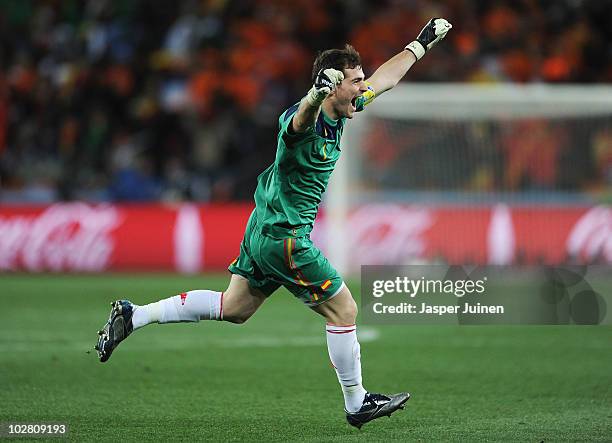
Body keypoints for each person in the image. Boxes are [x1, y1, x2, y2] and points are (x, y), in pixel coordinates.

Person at [95, 17, 452, 429]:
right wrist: (314, 96)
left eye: (359, 81)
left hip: (262, 227)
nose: (362, 87)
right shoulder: (302, 124)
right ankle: (357, 404)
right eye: (354, 81)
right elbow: (301, 118)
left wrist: (421, 43)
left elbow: (386, 79)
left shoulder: (347, 103)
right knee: (345, 310)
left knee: (234, 308)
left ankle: (134, 315)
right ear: (331, 87)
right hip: (285, 237)